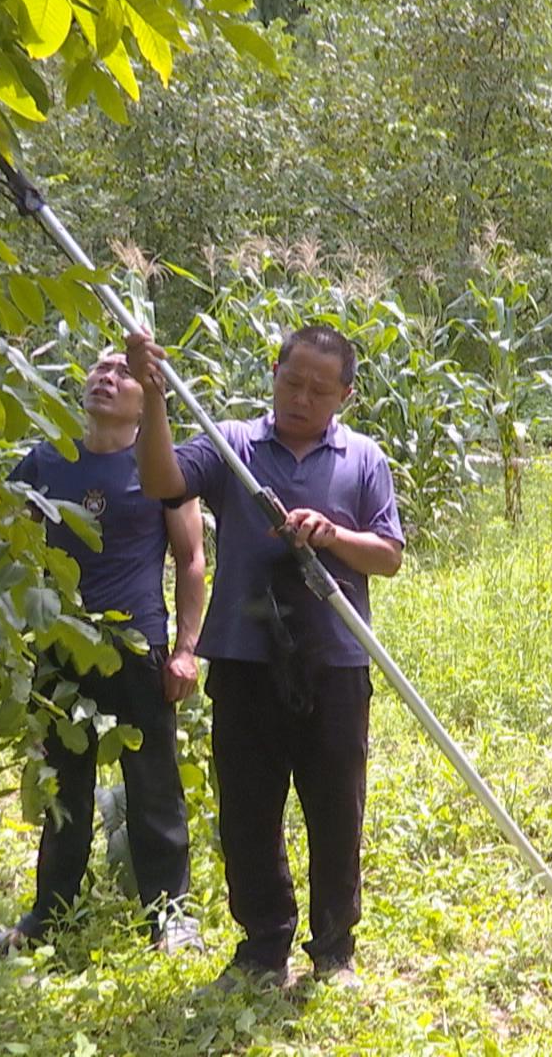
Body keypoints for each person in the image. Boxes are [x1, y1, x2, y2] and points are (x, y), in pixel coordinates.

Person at [126, 322, 404, 991]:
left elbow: (389, 556)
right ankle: (262, 949)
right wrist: (153, 395)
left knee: (336, 810)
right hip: (245, 659)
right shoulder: (231, 444)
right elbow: (163, 480)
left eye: (318, 389)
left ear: (345, 395)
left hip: (335, 662)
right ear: (273, 372)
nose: (301, 398)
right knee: (248, 813)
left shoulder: (363, 458)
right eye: (291, 381)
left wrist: (332, 534)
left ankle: (335, 951)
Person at [0, 351, 207, 955]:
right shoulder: (47, 459)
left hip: (137, 647)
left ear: (146, 397)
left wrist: (186, 651)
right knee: (64, 790)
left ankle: (169, 915)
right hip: (60, 650)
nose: (106, 378)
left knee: (154, 787)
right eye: (98, 369)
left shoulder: (161, 466)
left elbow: (191, 560)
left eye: (123, 373)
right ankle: (48, 917)